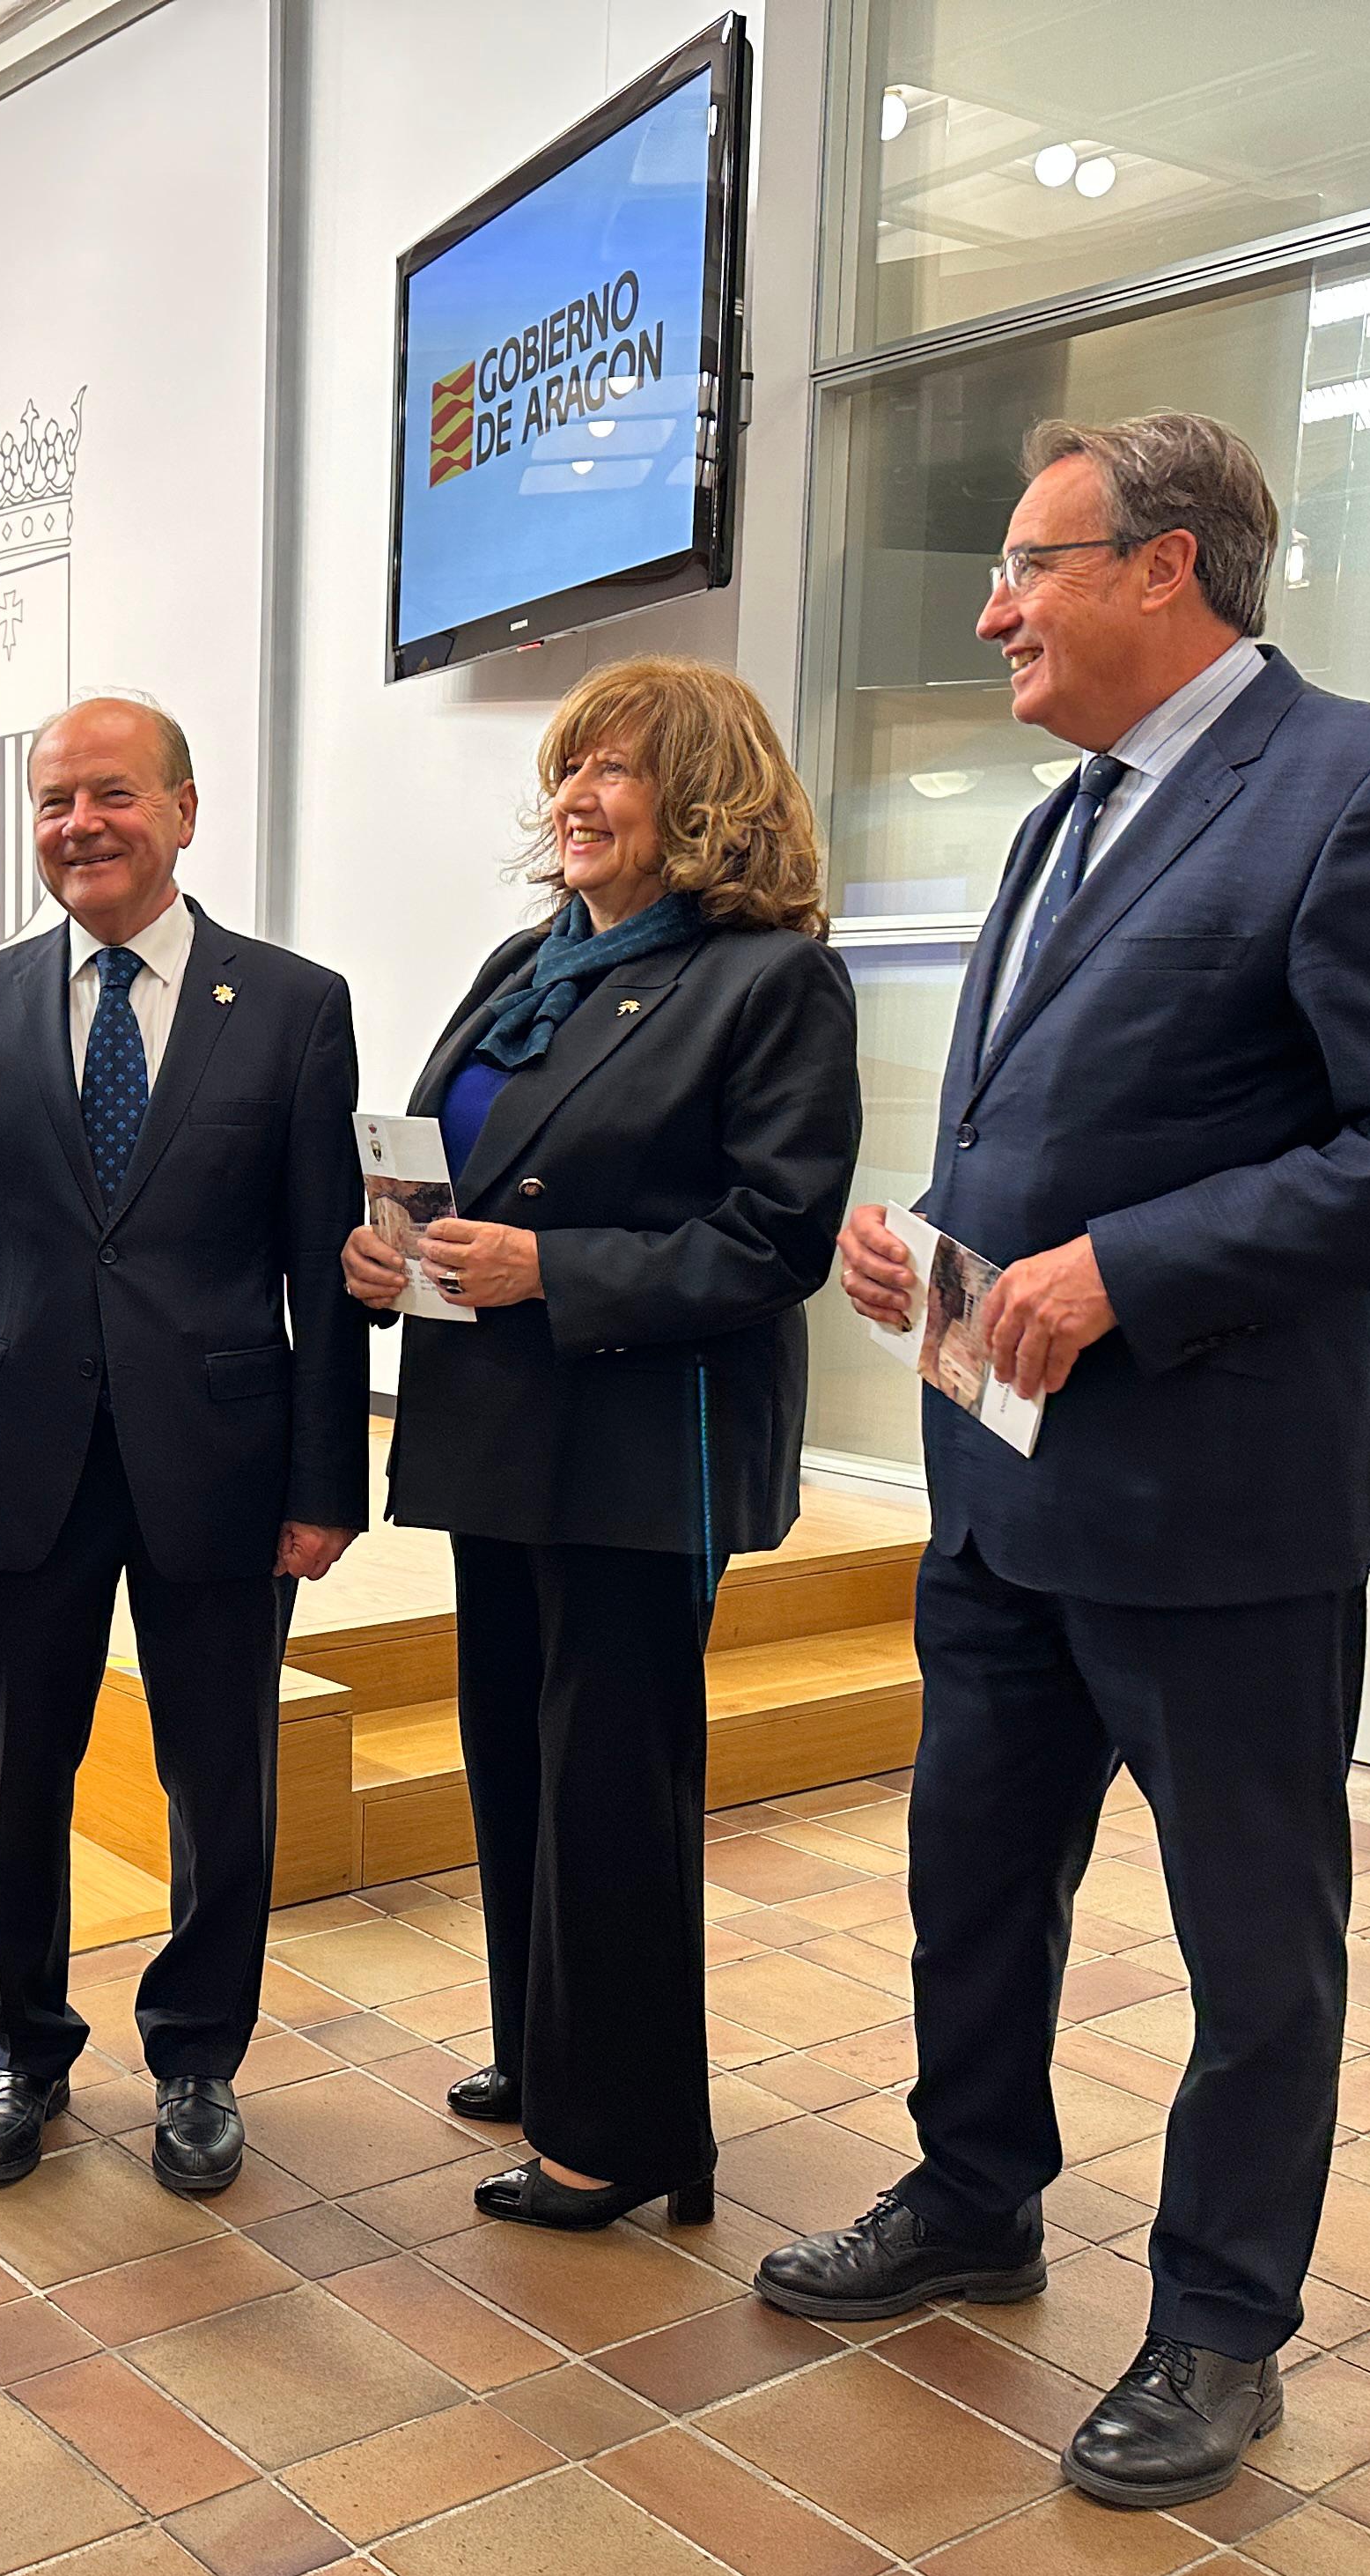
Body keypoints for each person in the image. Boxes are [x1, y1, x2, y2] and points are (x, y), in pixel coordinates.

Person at [755, 412, 1370, 2508]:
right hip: (1005, 1484)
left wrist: (1127, 1271)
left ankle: (1218, 2323)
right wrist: (931, 1254)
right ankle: (974, 2198)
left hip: (1223, 1509)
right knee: (970, 1881)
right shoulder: (1065, 821)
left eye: (1025, 566)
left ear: (1168, 567)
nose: (995, 612)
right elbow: (1068, 1125)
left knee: (1251, 1945)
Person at [342, 659, 855, 2236]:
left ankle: (624, 2135)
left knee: (611, 1781)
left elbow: (778, 1236)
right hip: (502, 1428)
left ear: (706, 797)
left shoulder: (770, 981)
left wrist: (551, 1269)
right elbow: (445, 1162)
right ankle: (546, 2049)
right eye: (567, 766)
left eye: (614, 769)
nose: (573, 794)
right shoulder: (532, 959)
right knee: (515, 1754)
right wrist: (389, 1253)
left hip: (643, 1444)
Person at [0, 697, 367, 2196]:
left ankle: (201, 2058)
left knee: (222, 1778)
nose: (80, 825)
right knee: (17, 1776)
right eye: (52, 803)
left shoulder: (291, 1005)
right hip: (10, 1453)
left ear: (185, 809)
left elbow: (321, 1262)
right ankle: (19, 2044)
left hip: (219, 1457)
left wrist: (328, 1482)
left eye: (112, 796)